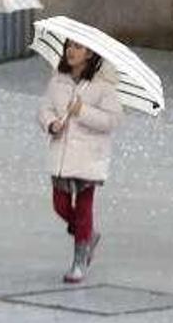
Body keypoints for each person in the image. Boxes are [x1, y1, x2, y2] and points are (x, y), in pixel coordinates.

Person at [38, 39, 122, 283]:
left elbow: (113, 120)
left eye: (78, 47)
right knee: (60, 205)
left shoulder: (103, 86)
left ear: (90, 53)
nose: (71, 51)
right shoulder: (58, 80)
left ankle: (79, 259)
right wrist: (51, 123)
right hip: (61, 155)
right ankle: (89, 235)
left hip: (89, 157)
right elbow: (44, 108)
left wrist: (82, 111)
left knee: (84, 209)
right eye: (69, 46)